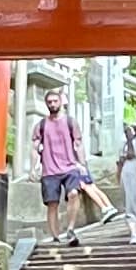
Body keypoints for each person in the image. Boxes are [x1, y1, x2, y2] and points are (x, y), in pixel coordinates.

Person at [36, 92, 86, 245]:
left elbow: (78, 144)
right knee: (52, 204)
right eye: (49, 102)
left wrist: (83, 164)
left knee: (73, 194)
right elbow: (34, 147)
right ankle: (56, 237)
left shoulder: (70, 122)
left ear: (61, 102)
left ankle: (70, 229)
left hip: (69, 167)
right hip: (49, 170)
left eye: (55, 101)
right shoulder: (41, 125)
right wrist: (33, 167)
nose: (52, 104)